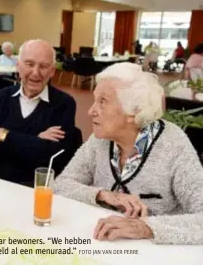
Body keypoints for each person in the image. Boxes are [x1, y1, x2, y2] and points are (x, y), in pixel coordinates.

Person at [54, 63, 203, 245]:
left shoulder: (173, 145)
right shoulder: (99, 140)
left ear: (133, 111)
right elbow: (60, 185)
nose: (90, 110)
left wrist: (145, 227)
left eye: (103, 101)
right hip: (101, 243)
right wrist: (103, 194)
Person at [0, 39, 81, 186]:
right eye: (29, 64)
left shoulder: (64, 104)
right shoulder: (1, 98)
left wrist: (3, 135)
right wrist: (37, 140)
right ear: (18, 66)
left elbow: (52, 160)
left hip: (30, 187)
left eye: (43, 66)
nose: (35, 73)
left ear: (52, 71)